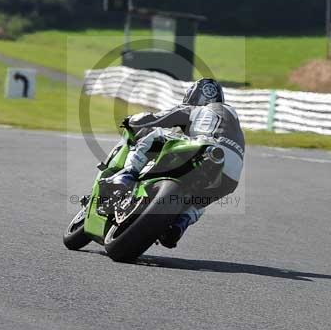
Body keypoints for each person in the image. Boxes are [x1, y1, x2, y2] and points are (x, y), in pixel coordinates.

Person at [103, 78, 245, 248]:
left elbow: (159, 118)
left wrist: (134, 121)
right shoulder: (231, 116)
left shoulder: (195, 109)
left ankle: (128, 174)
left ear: (193, 96)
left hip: (207, 144)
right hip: (232, 171)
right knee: (198, 201)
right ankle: (180, 225)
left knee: (156, 135)